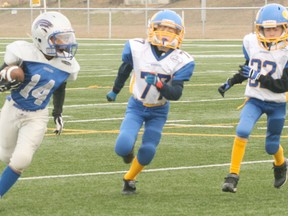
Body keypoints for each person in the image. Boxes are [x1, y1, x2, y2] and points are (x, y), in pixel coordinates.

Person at [106, 9, 195, 195]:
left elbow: (176, 93)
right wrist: (115, 91)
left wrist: (160, 85)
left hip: (159, 111)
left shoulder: (182, 59)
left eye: (171, 30)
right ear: (152, 28)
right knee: (122, 145)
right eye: (162, 28)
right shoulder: (137, 48)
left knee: (148, 150)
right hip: (137, 106)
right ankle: (127, 154)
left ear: (179, 34)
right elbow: (124, 70)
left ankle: (129, 178)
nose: (165, 33)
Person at [0, 11, 80, 198]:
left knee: (21, 160)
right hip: (12, 108)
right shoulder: (23, 53)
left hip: (37, 115)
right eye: (59, 38)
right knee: (5, 156)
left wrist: (57, 113)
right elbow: (4, 72)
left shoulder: (68, 64)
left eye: (66, 37)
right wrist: (5, 78)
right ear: (42, 38)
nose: (65, 43)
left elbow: (60, 86)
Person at [218, 3, 288, 193]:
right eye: (267, 28)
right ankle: (232, 176)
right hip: (255, 100)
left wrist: (257, 76)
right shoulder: (251, 42)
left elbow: (283, 85)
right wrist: (232, 81)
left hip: (277, 104)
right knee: (242, 129)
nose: (271, 32)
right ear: (260, 28)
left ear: (284, 27)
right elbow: (249, 67)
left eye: (276, 28)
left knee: (271, 145)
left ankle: (281, 163)